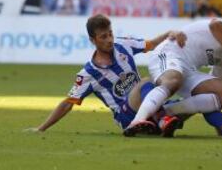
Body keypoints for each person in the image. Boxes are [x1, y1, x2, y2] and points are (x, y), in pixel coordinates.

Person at [24, 14, 187, 134]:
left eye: (110, 34)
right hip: (126, 116)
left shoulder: (123, 44)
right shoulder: (88, 74)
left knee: (196, 102)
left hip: (148, 104)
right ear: (92, 40)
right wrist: (41, 128)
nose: (109, 39)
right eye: (103, 36)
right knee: (146, 82)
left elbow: (150, 45)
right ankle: (160, 119)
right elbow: (68, 103)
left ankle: (159, 122)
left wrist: (168, 34)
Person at [125, 18, 222, 138]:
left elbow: (209, 97)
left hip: (188, 70)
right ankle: (136, 122)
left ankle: (165, 113)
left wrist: (218, 123)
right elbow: (215, 24)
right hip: (169, 53)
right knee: (174, 79)